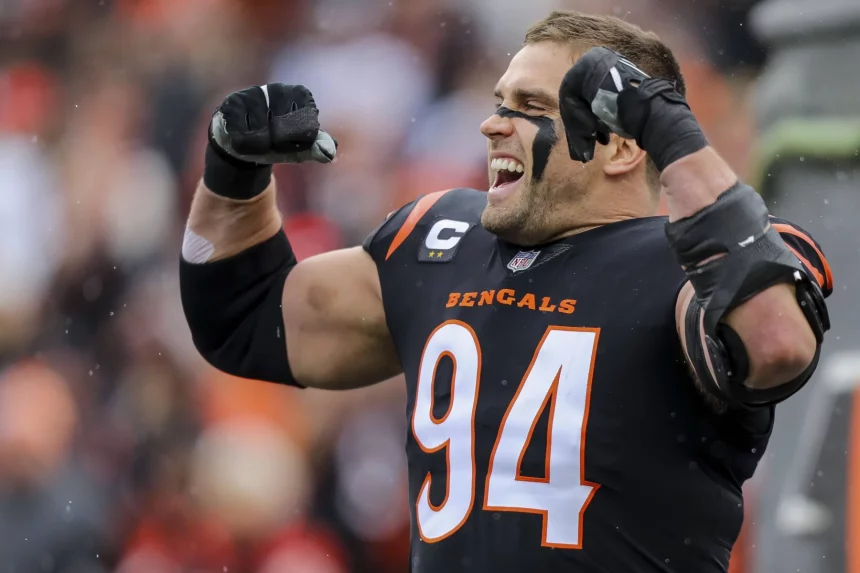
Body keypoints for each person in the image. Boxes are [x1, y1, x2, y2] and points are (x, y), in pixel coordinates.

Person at [178, 10, 833, 573]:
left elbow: (773, 341)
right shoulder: (439, 241)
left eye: (531, 109)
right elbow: (247, 320)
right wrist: (234, 179)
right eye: (500, 103)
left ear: (624, 146)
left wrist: (671, 127)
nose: (494, 126)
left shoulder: (692, 266)